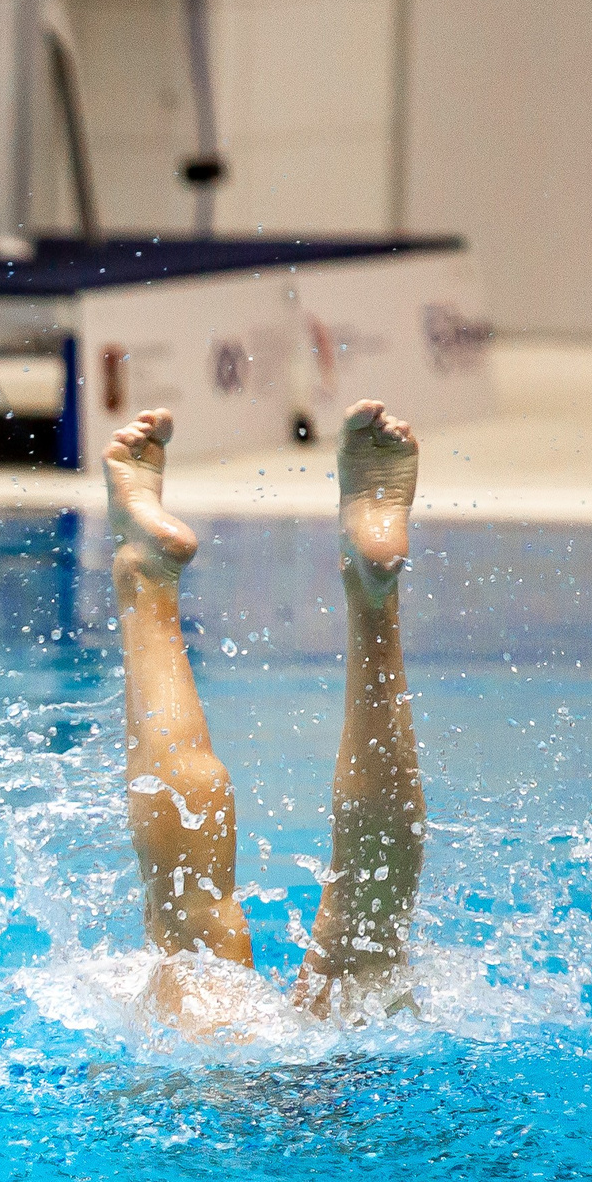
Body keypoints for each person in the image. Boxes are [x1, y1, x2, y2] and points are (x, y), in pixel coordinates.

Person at [103, 397, 425, 1025]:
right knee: (369, 937)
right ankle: (372, 590)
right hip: (362, 1101)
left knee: (190, 938)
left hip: (213, 1090)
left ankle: (144, 572)